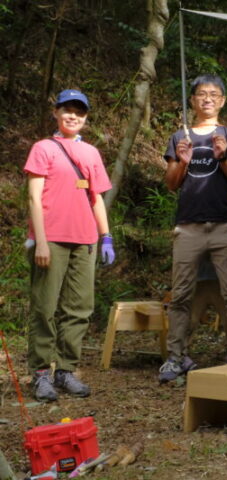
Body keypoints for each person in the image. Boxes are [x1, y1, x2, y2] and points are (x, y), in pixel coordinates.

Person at [24, 89, 115, 402]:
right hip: (50, 239)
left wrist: (106, 236)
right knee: (45, 307)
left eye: (80, 111)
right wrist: (41, 243)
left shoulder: (91, 153)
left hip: (85, 241)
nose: (73, 116)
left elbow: (96, 198)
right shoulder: (43, 148)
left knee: (78, 309)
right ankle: (39, 373)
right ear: (56, 112)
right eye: (67, 110)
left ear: (86, 118)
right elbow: (34, 196)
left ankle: (65, 370)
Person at [160, 74, 227, 383]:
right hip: (188, 228)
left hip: (225, 225)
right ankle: (176, 357)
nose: (207, 98)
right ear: (193, 100)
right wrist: (183, 161)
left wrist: (222, 156)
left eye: (214, 94)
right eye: (201, 94)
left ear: (222, 100)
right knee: (182, 294)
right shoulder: (179, 136)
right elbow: (171, 184)